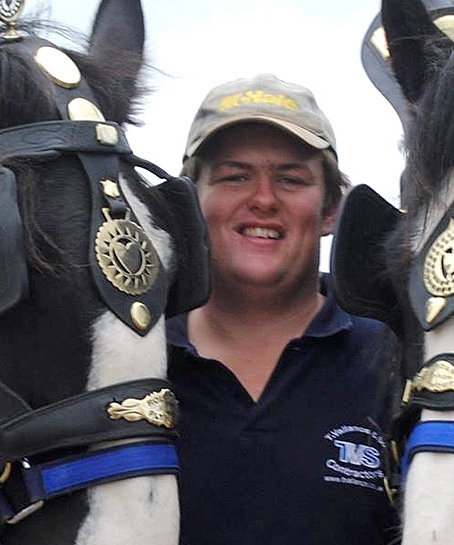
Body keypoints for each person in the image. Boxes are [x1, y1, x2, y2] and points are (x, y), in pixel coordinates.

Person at [168, 74, 398, 545]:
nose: (264, 200)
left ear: (332, 208)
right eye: (235, 176)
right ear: (190, 200)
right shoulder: (131, 365)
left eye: (291, 179)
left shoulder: (396, 359)